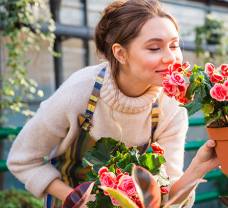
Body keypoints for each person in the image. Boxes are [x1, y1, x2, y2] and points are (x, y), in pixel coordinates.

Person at [7, 0, 219, 207]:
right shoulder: (79, 91)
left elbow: (166, 199)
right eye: (155, 48)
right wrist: (80, 199)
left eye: (174, 45)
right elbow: (22, 159)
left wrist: (198, 168)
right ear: (120, 53)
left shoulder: (172, 106)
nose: (171, 57)